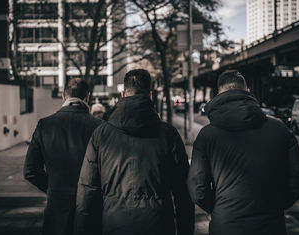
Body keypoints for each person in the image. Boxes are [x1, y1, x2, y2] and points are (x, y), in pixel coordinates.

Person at [187, 70, 299, 235]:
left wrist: (219, 209)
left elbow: (197, 189)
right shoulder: (279, 129)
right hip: (271, 226)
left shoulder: (207, 135)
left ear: (218, 94)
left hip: (226, 226)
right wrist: (275, 205)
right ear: (248, 92)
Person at [75, 69, 194, 235]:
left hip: (114, 224)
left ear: (123, 94)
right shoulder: (168, 134)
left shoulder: (101, 135)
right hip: (159, 224)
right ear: (149, 94)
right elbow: (183, 192)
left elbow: (87, 190)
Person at [23, 78, 102, 235]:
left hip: (56, 207)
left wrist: (53, 188)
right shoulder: (100, 127)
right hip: (90, 207)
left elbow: (30, 170)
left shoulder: (45, 125)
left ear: (63, 97)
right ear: (87, 97)